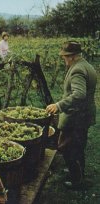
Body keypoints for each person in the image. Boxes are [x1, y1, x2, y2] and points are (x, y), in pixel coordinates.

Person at [46, 41, 97, 189]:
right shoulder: (86, 65)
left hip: (76, 116)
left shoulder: (77, 70)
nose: (64, 59)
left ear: (73, 56)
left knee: (67, 146)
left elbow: (79, 94)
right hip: (84, 114)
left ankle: (76, 180)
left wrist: (59, 105)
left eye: (65, 56)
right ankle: (78, 171)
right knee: (79, 145)